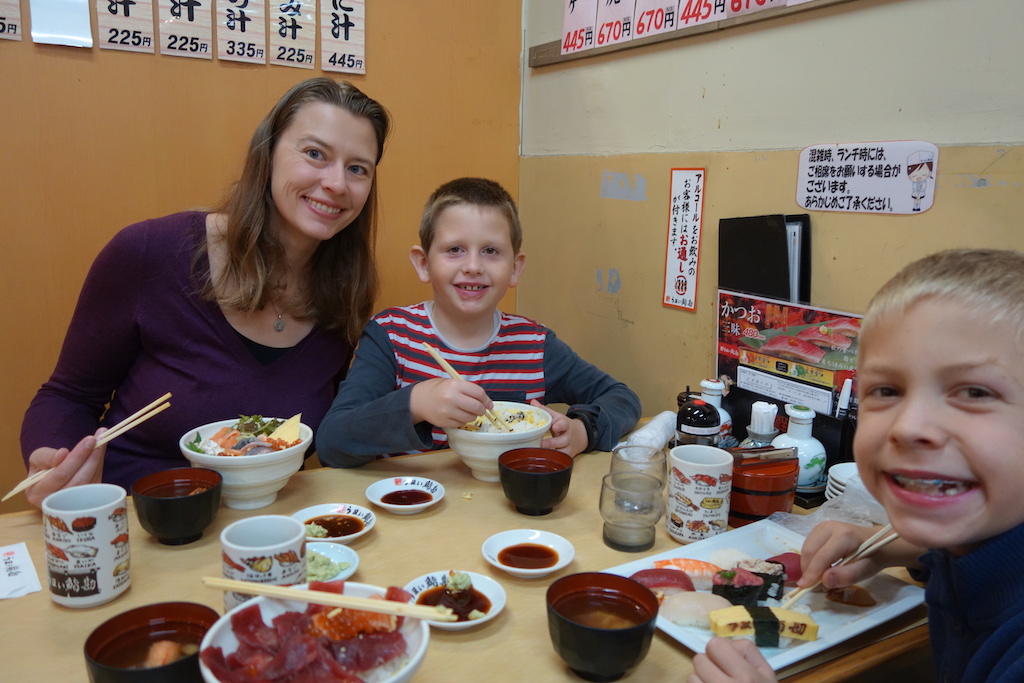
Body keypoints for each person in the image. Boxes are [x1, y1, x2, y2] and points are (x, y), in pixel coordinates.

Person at [19, 78, 391, 507]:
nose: (337, 184)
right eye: (314, 154)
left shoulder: (345, 292)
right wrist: (59, 461)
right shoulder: (150, 252)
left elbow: (333, 432)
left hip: (269, 529)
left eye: (357, 168)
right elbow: (67, 396)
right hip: (137, 521)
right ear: (267, 154)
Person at [688, 248, 1024, 683]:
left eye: (975, 393)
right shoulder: (973, 539)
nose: (908, 426)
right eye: (885, 390)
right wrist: (881, 546)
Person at [316, 177, 641, 467]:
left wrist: (582, 431)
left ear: (515, 268)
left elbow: (621, 398)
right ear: (423, 263)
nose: (473, 266)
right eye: (454, 249)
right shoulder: (392, 335)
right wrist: (416, 404)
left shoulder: (534, 345)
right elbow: (333, 442)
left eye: (490, 251)